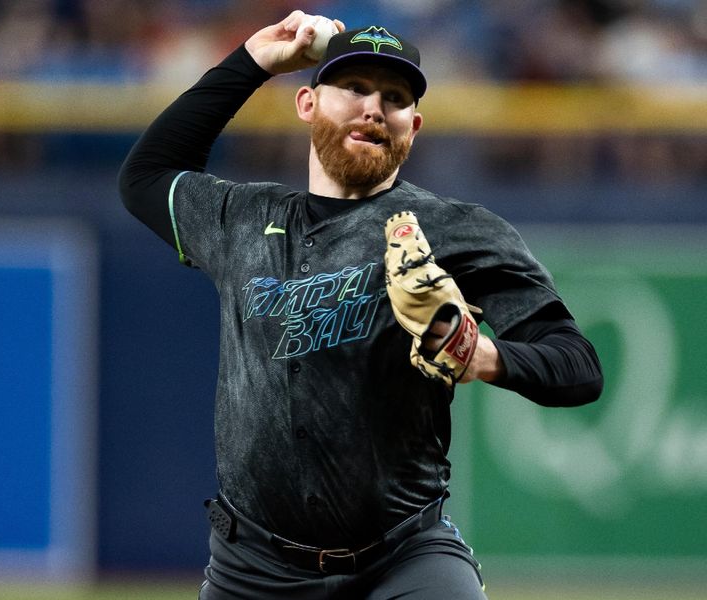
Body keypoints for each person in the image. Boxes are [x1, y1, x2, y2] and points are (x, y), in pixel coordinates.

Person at [118, 10, 603, 600]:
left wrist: (481, 356)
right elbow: (145, 175)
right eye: (352, 88)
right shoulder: (242, 220)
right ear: (307, 104)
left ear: (413, 126)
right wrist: (251, 61)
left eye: (394, 97)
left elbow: (578, 366)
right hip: (253, 570)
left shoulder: (455, 229)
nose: (374, 107)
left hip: (403, 558)